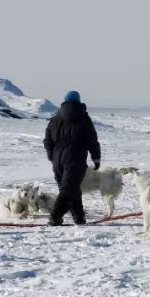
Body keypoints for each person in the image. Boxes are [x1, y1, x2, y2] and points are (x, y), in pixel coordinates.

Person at [43, 90, 101, 225]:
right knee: (68, 190)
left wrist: (52, 156)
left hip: (57, 160)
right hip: (75, 158)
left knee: (71, 189)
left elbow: (47, 141)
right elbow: (92, 140)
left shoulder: (54, 119)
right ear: (79, 101)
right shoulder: (84, 118)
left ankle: (79, 217)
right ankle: (55, 217)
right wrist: (96, 158)